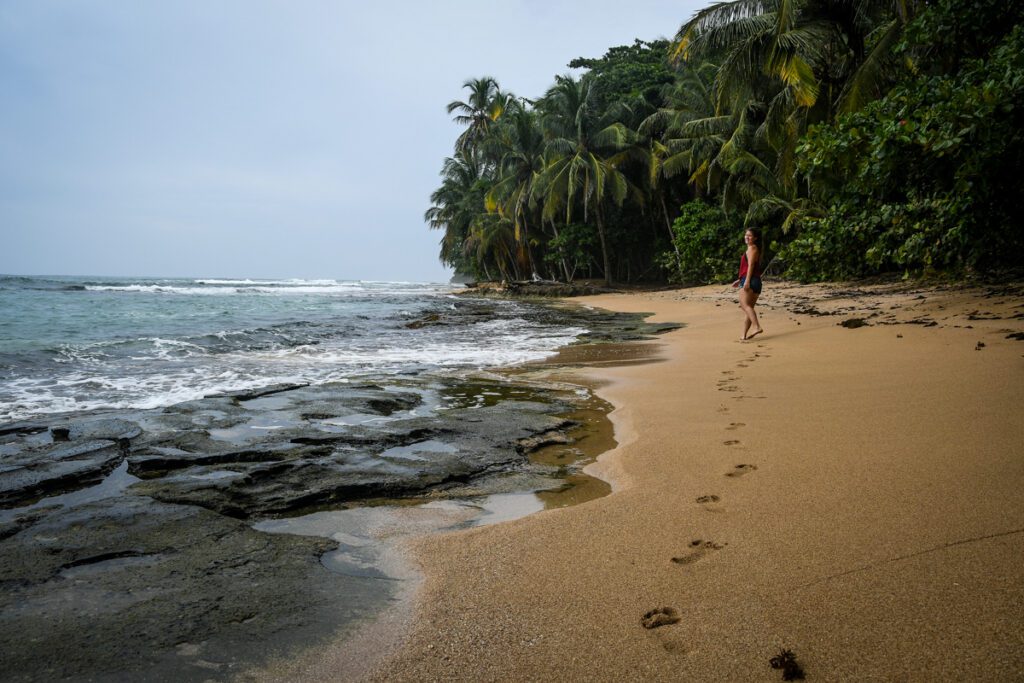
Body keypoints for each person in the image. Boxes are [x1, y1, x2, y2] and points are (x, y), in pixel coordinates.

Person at [731, 227, 764, 341]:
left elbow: (751, 266)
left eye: (750, 235)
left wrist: (746, 281)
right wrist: (740, 279)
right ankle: (744, 335)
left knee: (745, 306)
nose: (747, 237)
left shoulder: (752, 248)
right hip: (755, 281)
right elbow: (749, 267)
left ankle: (757, 326)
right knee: (749, 309)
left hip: (751, 280)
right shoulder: (754, 248)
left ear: (755, 238)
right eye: (746, 235)